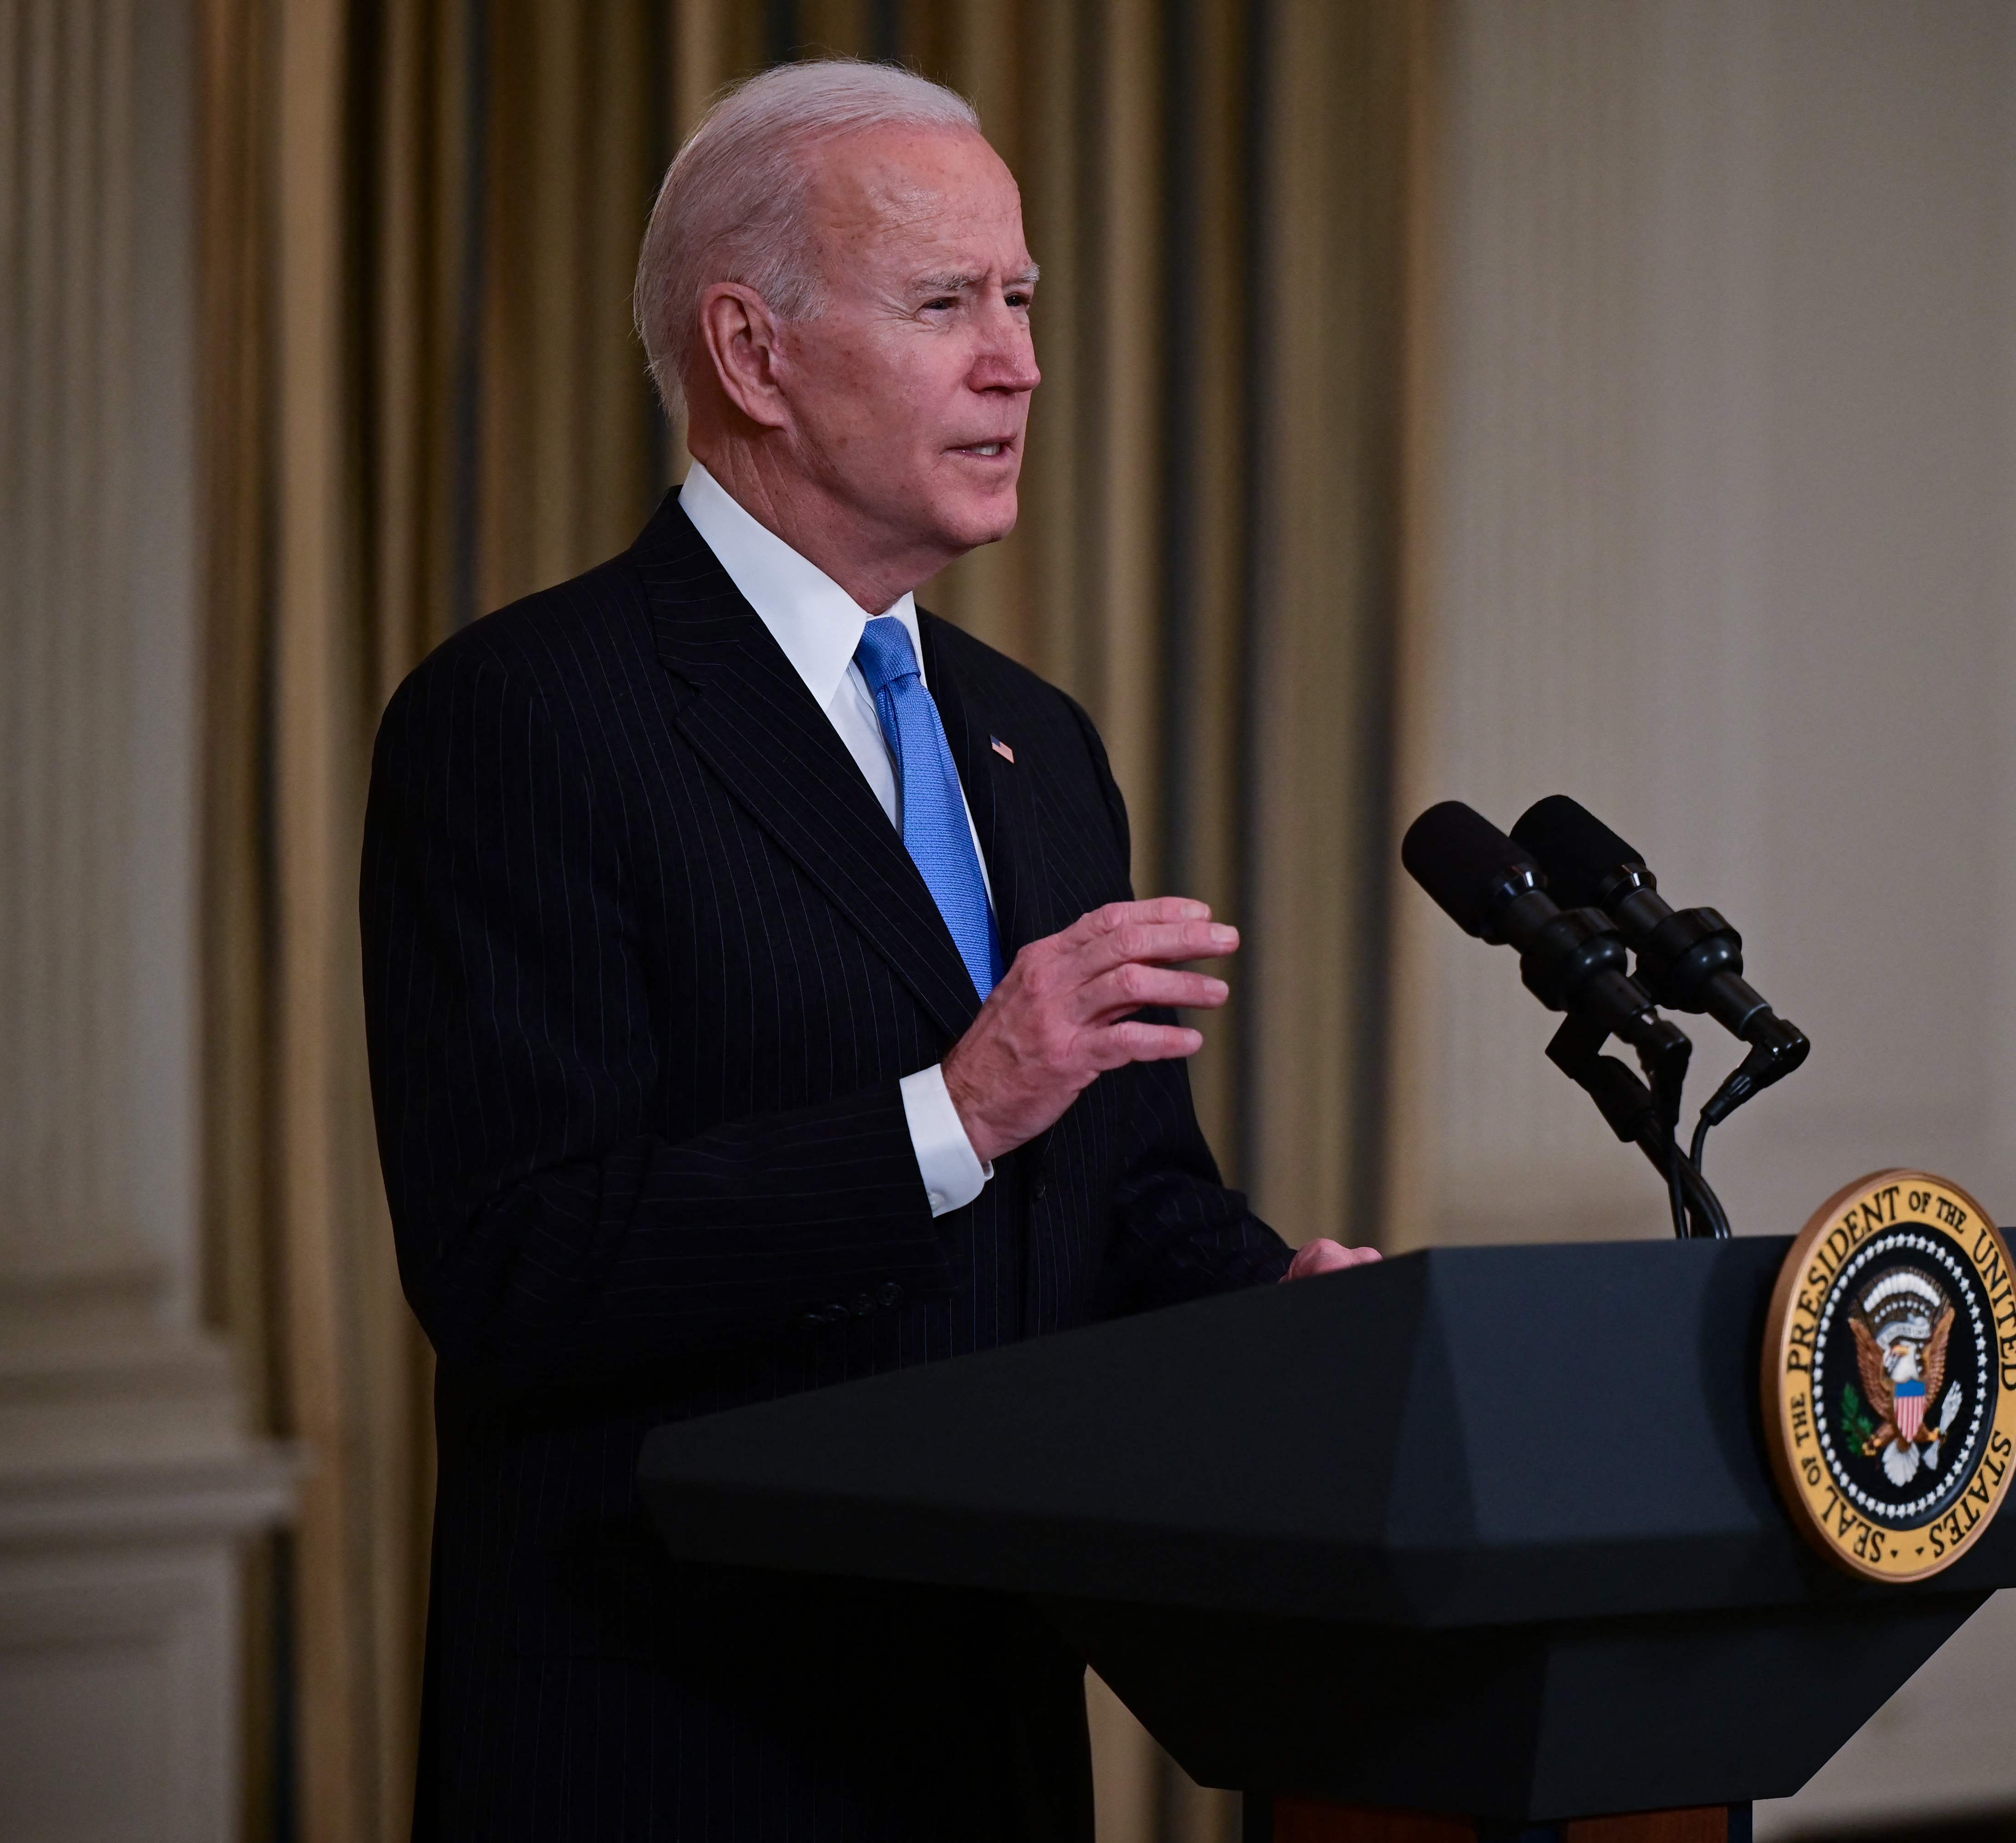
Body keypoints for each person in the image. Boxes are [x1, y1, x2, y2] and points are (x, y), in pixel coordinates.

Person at [360, 59, 1376, 1842]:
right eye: (945, 304)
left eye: (1023, 299)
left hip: (986, 1731)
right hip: (671, 1743)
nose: (1018, 363)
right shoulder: (528, 717)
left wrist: (1281, 1315)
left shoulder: (1035, 738)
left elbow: (1121, 1198)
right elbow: (517, 1265)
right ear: (751, 352)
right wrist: (947, 1114)